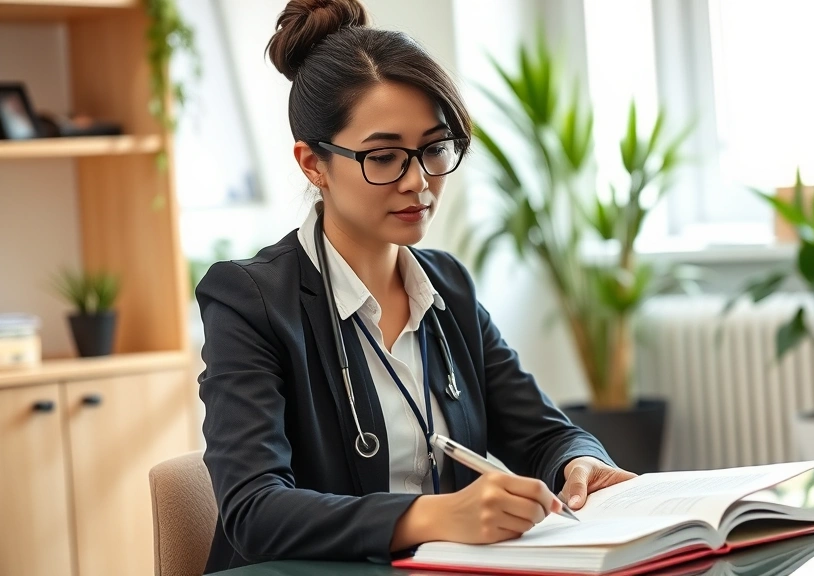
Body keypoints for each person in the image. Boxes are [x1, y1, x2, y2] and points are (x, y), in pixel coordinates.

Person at [195, 0, 636, 572]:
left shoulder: (446, 285)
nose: (418, 182)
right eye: (383, 157)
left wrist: (581, 462)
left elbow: (546, 435)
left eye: (434, 149)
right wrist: (431, 515)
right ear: (312, 164)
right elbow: (254, 510)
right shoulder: (249, 300)